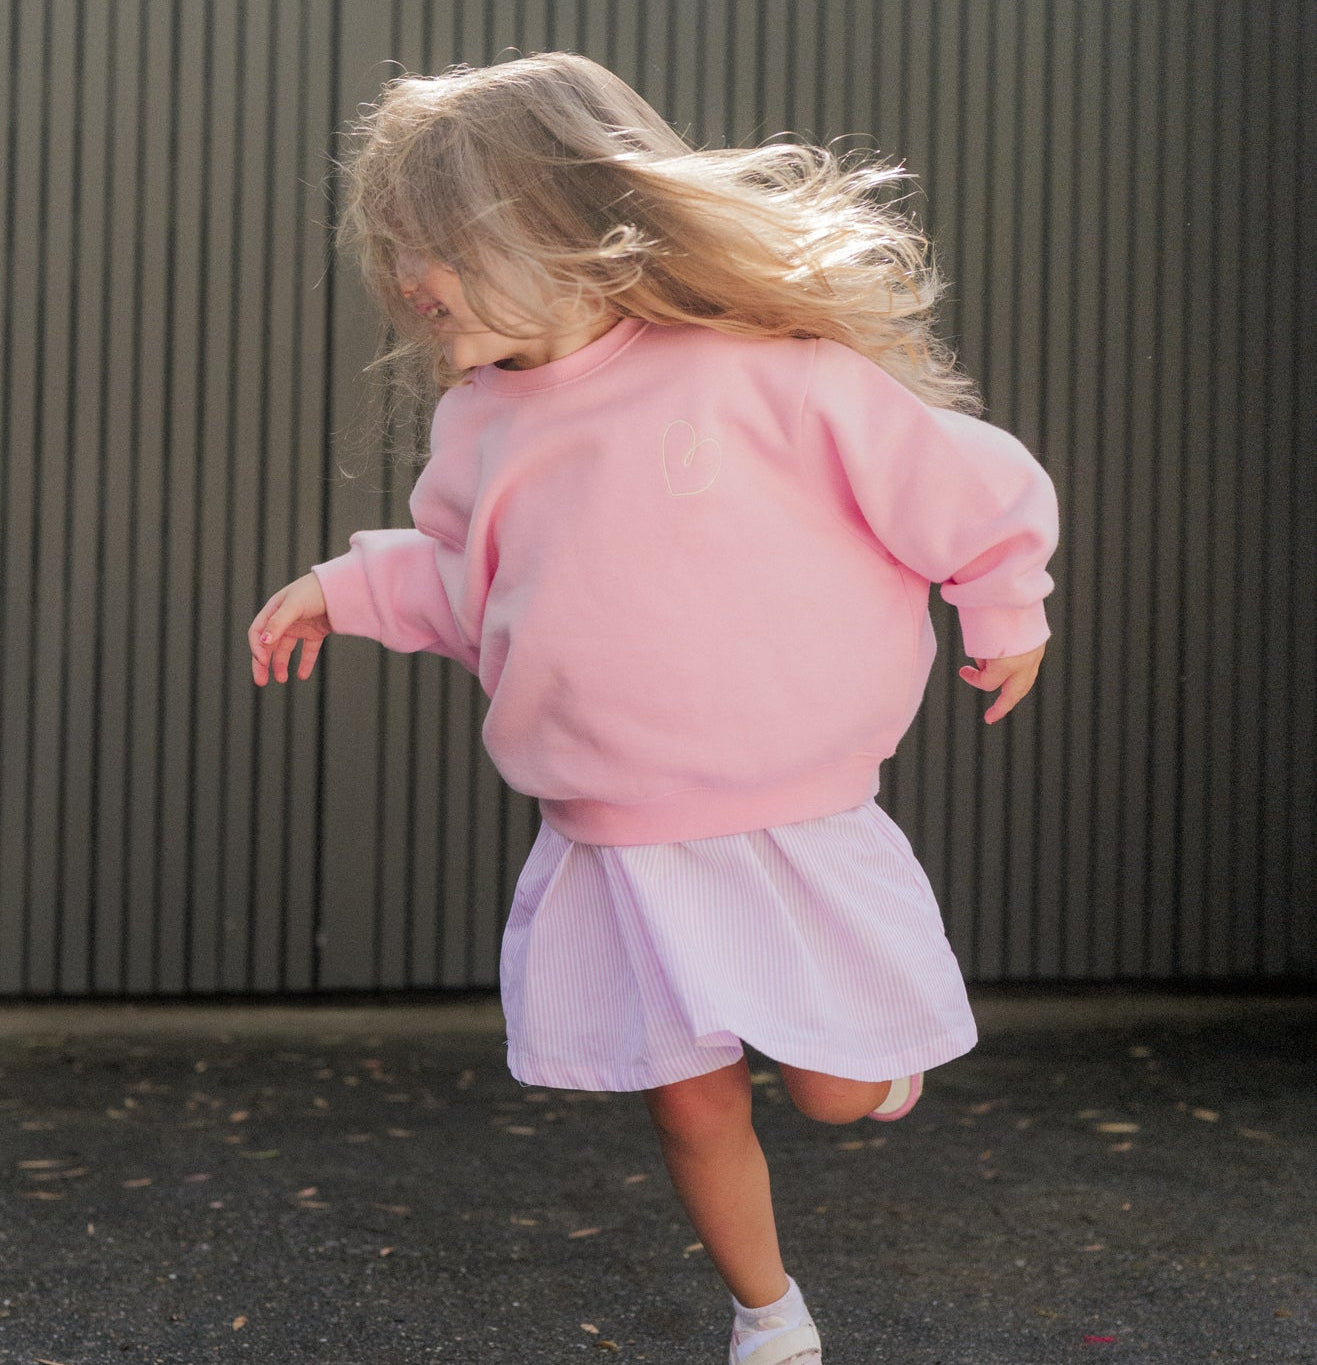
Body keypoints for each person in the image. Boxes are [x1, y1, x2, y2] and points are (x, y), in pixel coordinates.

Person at [248, 52, 1057, 1365]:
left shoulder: (761, 374)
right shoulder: (480, 424)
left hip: (789, 818)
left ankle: (875, 1074)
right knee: (687, 1108)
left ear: (542, 223)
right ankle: (768, 1313)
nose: (408, 285)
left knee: (840, 1092)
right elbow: (470, 584)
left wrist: (1003, 603)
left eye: (428, 246)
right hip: (614, 841)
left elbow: (963, 484)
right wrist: (341, 590)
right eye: (394, 253)